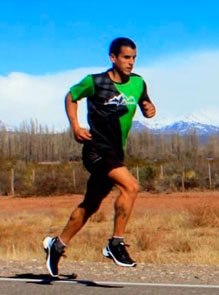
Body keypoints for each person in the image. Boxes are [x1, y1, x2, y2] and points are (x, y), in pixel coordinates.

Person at [42, 37, 156, 277]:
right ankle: (115, 243)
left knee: (91, 205)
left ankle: (57, 245)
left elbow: (144, 100)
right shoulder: (95, 82)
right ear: (113, 58)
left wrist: (149, 108)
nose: (131, 62)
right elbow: (71, 96)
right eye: (126, 57)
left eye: (134, 58)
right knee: (131, 186)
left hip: (116, 151)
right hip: (95, 149)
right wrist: (75, 126)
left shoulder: (137, 82)